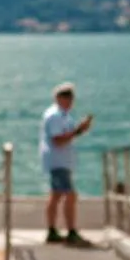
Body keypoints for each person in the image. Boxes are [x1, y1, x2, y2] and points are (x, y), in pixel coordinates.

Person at [39, 82, 92, 245]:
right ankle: (70, 231)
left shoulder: (63, 115)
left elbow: (66, 137)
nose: (69, 100)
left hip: (62, 161)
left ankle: (53, 230)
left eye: (71, 97)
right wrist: (78, 130)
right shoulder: (55, 116)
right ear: (58, 98)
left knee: (56, 195)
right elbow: (58, 139)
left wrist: (79, 131)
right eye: (66, 96)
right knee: (70, 195)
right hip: (58, 161)